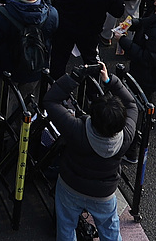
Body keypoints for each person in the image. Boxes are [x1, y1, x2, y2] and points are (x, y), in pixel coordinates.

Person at [45, 63, 139, 241]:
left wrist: (75, 77)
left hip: (71, 185)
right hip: (104, 193)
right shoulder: (125, 136)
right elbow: (132, 104)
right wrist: (110, 81)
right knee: (110, 232)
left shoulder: (76, 129)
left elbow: (51, 100)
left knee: (65, 228)